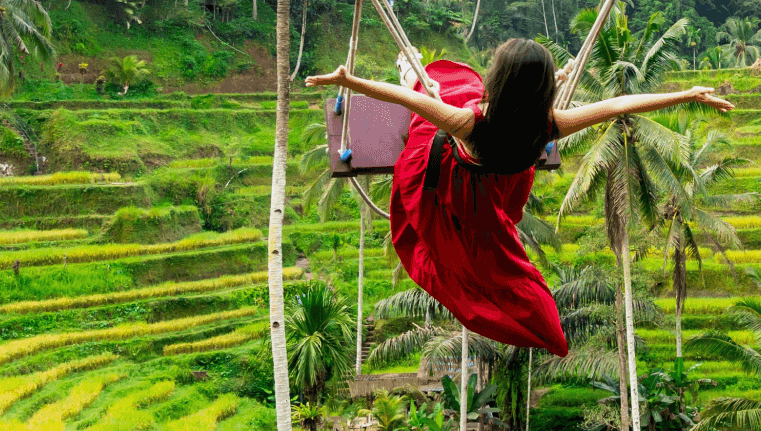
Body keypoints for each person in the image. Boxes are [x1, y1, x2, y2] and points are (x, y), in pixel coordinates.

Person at [308, 39, 732, 357]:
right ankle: (415, 64)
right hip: (489, 194)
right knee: (449, 90)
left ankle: (409, 63)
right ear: (544, 91)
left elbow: (406, 99)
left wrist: (348, 81)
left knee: (439, 90)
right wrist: (686, 95)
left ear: (501, 83)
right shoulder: (549, 125)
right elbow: (619, 105)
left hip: (442, 182)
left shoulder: (467, 123)